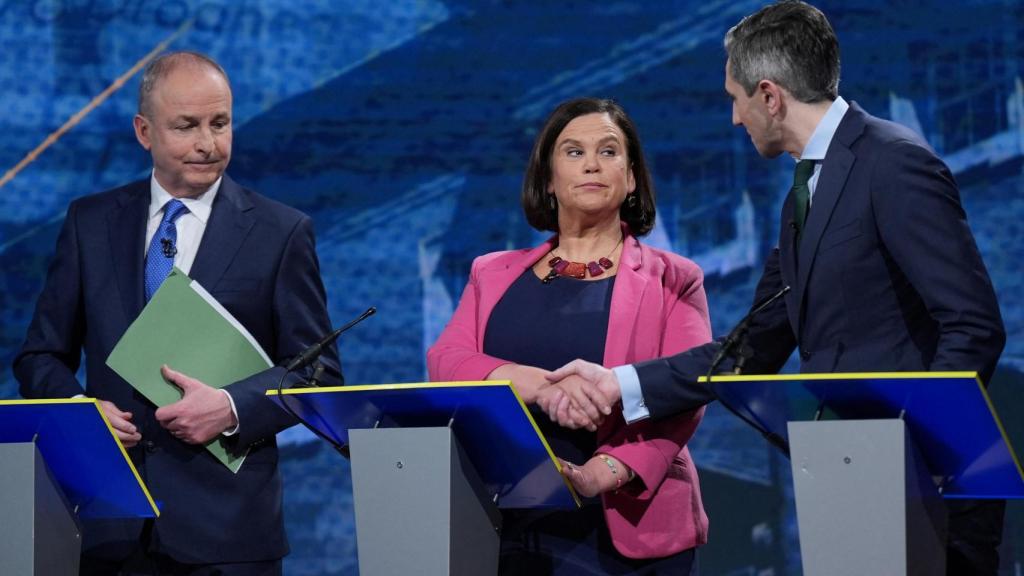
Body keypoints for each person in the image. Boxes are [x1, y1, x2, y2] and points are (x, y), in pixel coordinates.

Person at [538, 2, 1006, 575]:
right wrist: (618, 383)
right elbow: (749, 348)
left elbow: (973, 324)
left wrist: (916, 450)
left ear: (769, 96)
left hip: (927, 496)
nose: (735, 119)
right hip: (856, 484)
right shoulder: (801, 197)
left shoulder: (894, 163)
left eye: (735, 99)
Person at [13, 51, 339, 575]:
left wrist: (233, 406)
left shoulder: (282, 232)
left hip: (228, 535)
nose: (207, 143)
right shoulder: (88, 223)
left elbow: (319, 370)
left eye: (220, 123)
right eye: (186, 126)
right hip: (107, 527)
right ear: (145, 132)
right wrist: (79, 408)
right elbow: (40, 355)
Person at [427, 97, 711, 574]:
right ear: (548, 178)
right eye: (574, 152)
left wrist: (598, 475)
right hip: (503, 524)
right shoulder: (490, 273)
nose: (593, 165)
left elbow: (688, 394)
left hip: (625, 523)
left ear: (633, 176)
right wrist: (543, 386)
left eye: (610, 151)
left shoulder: (674, 278)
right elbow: (446, 361)